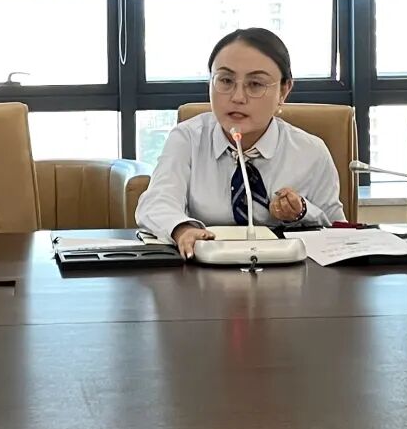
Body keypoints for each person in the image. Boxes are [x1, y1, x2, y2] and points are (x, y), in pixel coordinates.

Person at [136, 27, 347, 258]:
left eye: (255, 84)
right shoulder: (187, 139)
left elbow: (337, 232)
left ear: (284, 90)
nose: (237, 97)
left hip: (288, 272)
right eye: (225, 80)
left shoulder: (311, 151)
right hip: (204, 269)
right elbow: (156, 202)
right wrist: (182, 229)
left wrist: (302, 212)